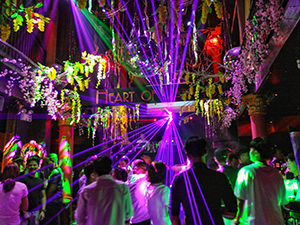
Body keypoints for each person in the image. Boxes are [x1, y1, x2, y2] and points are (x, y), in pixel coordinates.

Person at [171, 136, 237, 225]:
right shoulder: (219, 177)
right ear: (206, 152)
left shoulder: (180, 179)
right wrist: (216, 210)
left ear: (187, 155)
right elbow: (232, 211)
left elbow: (174, 216)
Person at [234, 137, 288, 225]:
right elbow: (282, 201)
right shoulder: (277, 174)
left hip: (254, 221)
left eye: (251, 150)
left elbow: (240, 199)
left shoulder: (246, 171)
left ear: (256, 152)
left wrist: (237, 218)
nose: (249, 153)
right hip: (276, 221)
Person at [75, 156, 133, 225]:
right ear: (111, 169)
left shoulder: (86, 191)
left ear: (95, 171)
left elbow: (80, 218)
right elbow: (128, 213)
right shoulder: (122, 187)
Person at [20, 156, 46, 225]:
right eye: (30, 165)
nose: (32, 167)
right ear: (27, 167)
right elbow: (19, 197)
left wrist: (43, 210)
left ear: (38, 166)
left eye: (34, 165)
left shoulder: (40, 181)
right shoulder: (22, 180)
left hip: (36, 211)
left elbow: (43, 196)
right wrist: (23, 211)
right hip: (24, 212)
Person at [41, 153, 63, 225]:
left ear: (53, 161)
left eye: (48, 162)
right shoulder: (57, 170)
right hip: (56, 200)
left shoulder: (55, 172)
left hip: (54, 201)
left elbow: (52, 188)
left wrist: (45, 200)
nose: (47, 165)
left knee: (52, 221)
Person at [127, 159, 151, 225]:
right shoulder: (139, 177)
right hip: (142, 218)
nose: (144, 168)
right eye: (141, 166)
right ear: (135, 168)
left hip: (134, 219)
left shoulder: (130, 179)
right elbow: (151, 173)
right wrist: (149, 163)